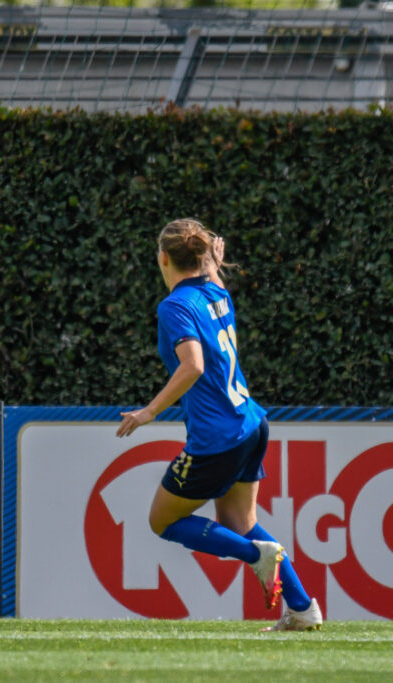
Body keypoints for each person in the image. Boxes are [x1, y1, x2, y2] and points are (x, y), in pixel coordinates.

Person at [116, 218, 322, 632]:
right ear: (203, 258)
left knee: (163, 521)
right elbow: (214, 289)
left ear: (162, 258)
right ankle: (301, 608)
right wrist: (213, 263)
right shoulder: (216, 293)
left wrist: (149, 412)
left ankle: (254, 557)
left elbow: (192, 365)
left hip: (218, 438)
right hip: (251, 423)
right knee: (241, 524)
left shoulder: (173, 305)